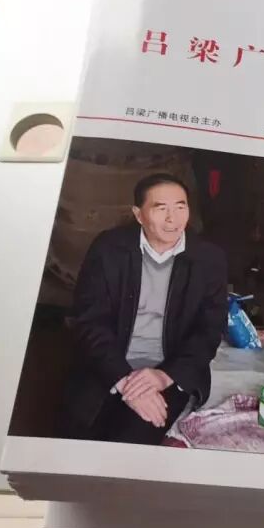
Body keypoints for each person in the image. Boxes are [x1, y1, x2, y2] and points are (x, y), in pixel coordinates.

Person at [59, 173, 228, 445]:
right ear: (138, 214)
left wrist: (163, 376)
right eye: (161, 208)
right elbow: (89, 320)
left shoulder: (208, 258)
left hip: (169, 370)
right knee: (78, 433)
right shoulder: (109, 249)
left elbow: (209, 331)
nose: (173, 219)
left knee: (134, 438)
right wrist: (125, 380)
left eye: (180, 207)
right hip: (109, 363)